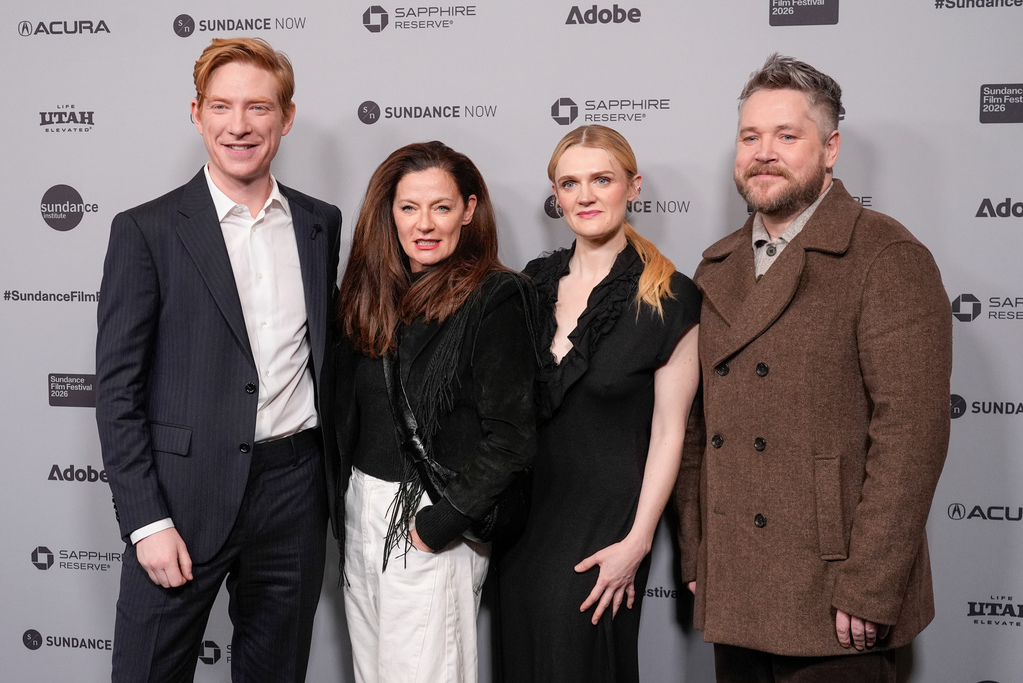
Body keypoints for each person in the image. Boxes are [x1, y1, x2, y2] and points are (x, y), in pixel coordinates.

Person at [675, 54, 952, 682]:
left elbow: (912, 435)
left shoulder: (886, 256)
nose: (763, 153)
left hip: (837, 595)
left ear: (830, 150)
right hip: (738, 582)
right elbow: (696, 428)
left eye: (786, 136)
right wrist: (699, 550)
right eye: (750, 137)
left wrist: (872, 585)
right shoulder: (715, 268)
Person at [95, 38, 341, 682]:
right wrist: (145, 519)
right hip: (180, 496)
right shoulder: (145, 230)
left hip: (293, 492)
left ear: (286, 117)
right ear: (198, 112)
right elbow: (117, 389)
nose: (240, 125)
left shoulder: (320, 223)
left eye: (258, 107)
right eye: (223, 106)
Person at [497, 125, 701, 683]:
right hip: (523, 525)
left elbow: (670, 434)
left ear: (633, 187)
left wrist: (636, 542)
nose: (585, 196)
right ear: (557, 196)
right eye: (570, 183)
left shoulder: (672, 297)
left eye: (601, 179)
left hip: (606, 531)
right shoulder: (530, 284)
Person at [333, 140, 537, 683]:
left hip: (429, 515)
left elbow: (511, 438)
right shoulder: (368, 294)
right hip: (361, 510)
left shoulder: (497, 296)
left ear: (469, 211)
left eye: (442, 207)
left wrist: (437, 526)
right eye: (409, 207)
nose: (425, 224)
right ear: (390, 213)